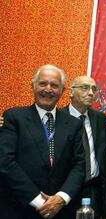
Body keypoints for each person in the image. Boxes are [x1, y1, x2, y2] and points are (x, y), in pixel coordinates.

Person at [0, 64, 85, 218]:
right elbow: (5, 162)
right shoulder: (13, 117)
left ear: (62, 91)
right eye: (42, 83)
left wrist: (61, 198)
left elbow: (79, 165)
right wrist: (39, 201)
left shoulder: (74, 124)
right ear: (33, 86)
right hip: (20, 208)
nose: (48, 89)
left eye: (54, 85)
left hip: (61, 210)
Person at [60, 76, 106, 219]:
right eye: (85, 88)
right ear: (71, 92)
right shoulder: (58, 117)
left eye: (94, 89)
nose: (91, 93)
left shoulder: (99, 118)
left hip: (93, 190)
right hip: (64, 189)